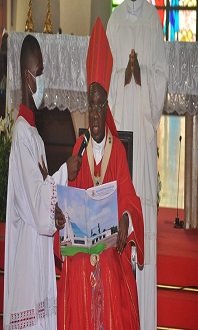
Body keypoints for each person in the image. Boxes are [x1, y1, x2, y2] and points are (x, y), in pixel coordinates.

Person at [57, 17, 144, 330]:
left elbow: (130, 196)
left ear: (107, 107)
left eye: (100, 106)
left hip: (109, 248)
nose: (94, 114)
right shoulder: (78, 148)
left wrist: (124, 219)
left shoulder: (117, 150)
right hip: (83, 246)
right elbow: (67, 200)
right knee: (79, 268)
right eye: (90, 107)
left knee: (106, 268)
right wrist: (60, 214)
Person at [3, 34, 81, 330]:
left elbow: (42, 191)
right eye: (40, 72)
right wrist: (65, 172)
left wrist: (58, 214)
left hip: (39, 251)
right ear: (27, 76)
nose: (43, 79)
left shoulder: (33, 133)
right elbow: (36, 205)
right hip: (28, 254)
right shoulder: (22, 134)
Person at [106, 1, 168, 329]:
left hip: (141, 139)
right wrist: (122, 75)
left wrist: (141, 77)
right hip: (120, 138)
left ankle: (142, 321)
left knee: (140, 207)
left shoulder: (154, 22)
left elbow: (162, 74)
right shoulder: (114, 20)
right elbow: (105, 83)